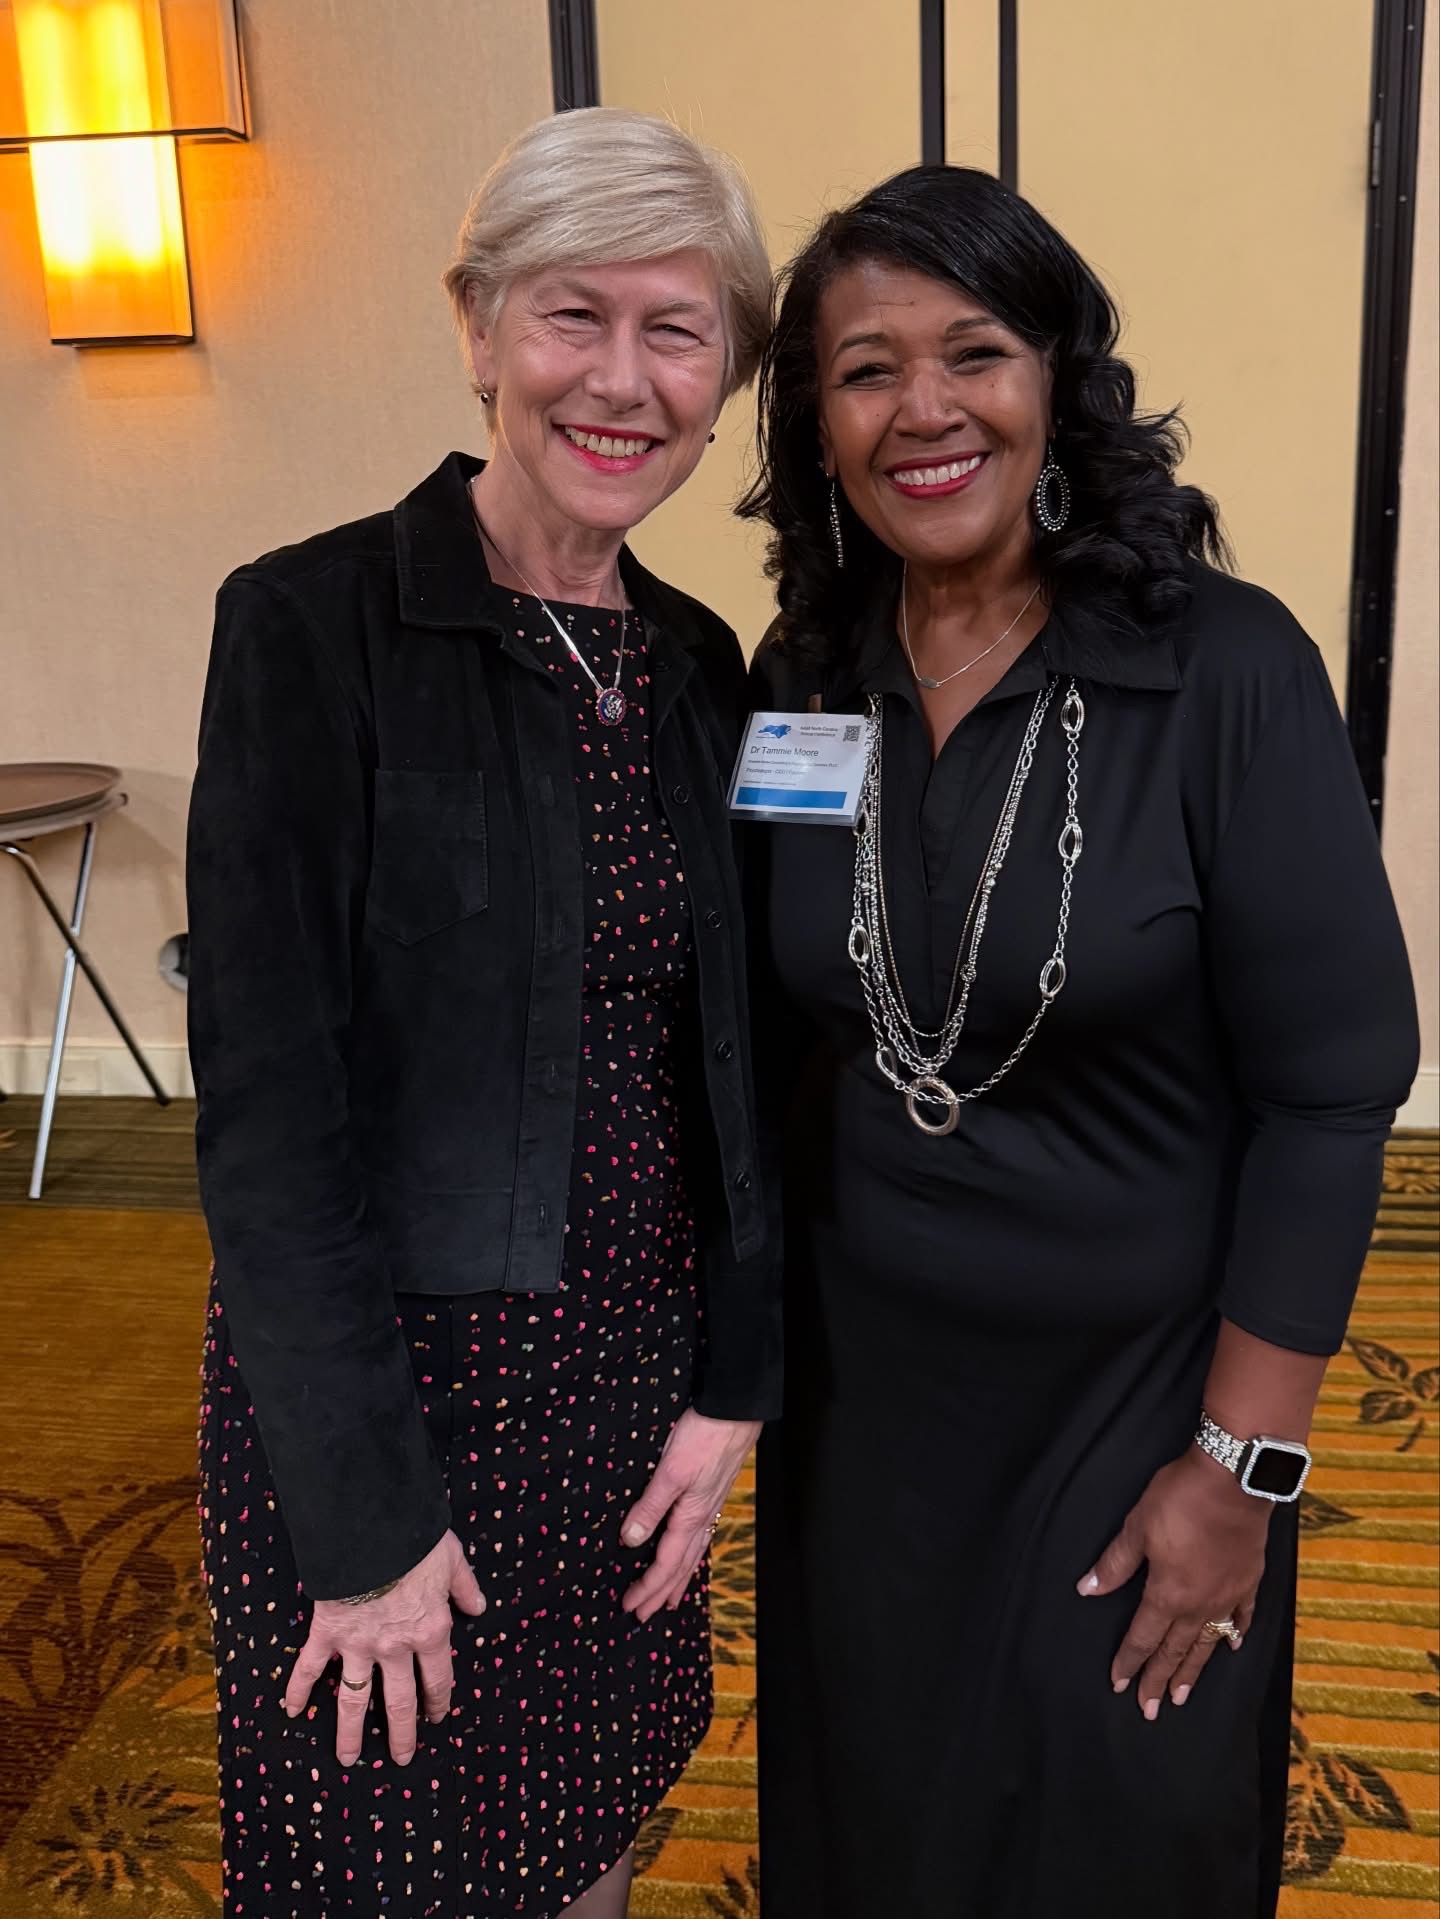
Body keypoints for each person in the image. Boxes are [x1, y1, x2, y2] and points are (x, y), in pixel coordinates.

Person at [738, 164, 1419, 1919]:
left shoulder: (1222, 670)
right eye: (865, 369)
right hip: (871, 1415)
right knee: (882, 1828)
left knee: (1115, 1825)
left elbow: (1337, 1090)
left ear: (1060, 383)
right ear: (816, 423)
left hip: (1139, 1409)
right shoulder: (803, 678)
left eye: (976, 352)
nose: (925, 410)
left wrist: (1242, 1469)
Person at [187, 107, 778, 1919]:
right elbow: (271, 1127)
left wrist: (732, 1387)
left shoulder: (695, 661)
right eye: (569, 317)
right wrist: (362, 1530)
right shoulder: (310, 628)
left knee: (588, 1836)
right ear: (477, 326)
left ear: (726, 374)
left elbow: (735, 1064)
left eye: (677, 332)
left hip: (625, 1402)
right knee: (386, 1862)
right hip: (391, 1408)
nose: (622, 380)